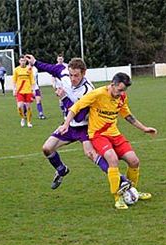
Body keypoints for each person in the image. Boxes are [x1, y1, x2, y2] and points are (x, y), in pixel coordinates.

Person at [25, 54, 130, 191]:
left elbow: (80, 116)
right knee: (47, 148)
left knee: (91, 154)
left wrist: (63, 98)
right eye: (71, 75)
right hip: (68, 126)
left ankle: (121, 180)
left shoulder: (88, 90)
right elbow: (53, 69)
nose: (72, 79)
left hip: (85, 127)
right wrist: (35, 62)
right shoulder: (65, 74)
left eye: (76, 76)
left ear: (84, 73)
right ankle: (61, 170)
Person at [58, 72, 157, 210]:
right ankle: (118, 197)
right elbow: (76, 107)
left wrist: (144, 128)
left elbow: (127, 115)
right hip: (98, 135)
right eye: (120, 89)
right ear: (112, 84)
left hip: (114, 134)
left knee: (134, 161)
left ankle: (131, 190)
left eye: (124, 90)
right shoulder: (97, 94)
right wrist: (66, 124)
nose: (121, 93)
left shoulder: (121, 97)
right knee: (112, 159)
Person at [12, 56, 35, 128]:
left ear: (26, 61)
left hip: (28, 90)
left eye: (24, 61)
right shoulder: (16, 70)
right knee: (19, 106)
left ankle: (28, 122)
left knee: (28, 107)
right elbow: (14, 81)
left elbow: (32, 80)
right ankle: (22, 118)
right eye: (21, 60)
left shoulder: (29, 69)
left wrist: (33, 90)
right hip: (20, 91)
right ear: (19, 61)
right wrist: (14, 89)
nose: (23, 62)